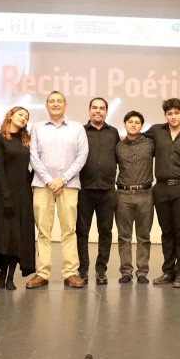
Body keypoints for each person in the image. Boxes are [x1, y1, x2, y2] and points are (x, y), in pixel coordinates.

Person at [27, 91, 89, 289]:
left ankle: (70, 272)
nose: (55, 104)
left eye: (59, 101)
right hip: (42, 185)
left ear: (65, 105)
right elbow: (33, 156)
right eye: (52, 101)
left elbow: (82, 155)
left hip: (69, 185)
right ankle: (42, 273)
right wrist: (49, 180)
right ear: (46, 106)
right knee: (43, 231)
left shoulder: (77, 127)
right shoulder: (37, 128)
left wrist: (62, 179)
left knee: (69, 230)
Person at [144, 98, 180, 288]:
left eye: (177, 113)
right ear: (165, 115)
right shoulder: (156, 131)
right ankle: (168, 271)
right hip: (161, 188)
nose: (173, 116)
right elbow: (137, 140)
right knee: (166, 232)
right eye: (170, 113)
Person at [76, 98, 120, 285]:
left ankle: (101, 270)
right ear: (89, 111)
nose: (98, 111)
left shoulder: (113, 132)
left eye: (102, 108)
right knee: (81, 232)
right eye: (94, 107)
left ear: (106, 112)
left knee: (106, 232)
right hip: (84, 190)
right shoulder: (80, 131)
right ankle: (83, 270)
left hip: (107, 191)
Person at [0, 106, 36, 290]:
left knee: (19, 237)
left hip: (23, 193)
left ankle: (10, 277)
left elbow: (30, 164)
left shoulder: (27, 140)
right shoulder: (0, 138)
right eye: (20, 114)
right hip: (5, 192)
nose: (24, 118)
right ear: (10, 116)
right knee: (6, 236)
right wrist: (6, 195)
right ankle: (2, 274)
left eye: (26, 117)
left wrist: (30, 177)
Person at [115, 111, 155, 284]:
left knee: (143, 236)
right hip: (123, 194)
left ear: (142, 126)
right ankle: (126, 271)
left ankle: (142, 272)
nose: (133, 125)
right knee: (124, 236)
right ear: (124, 123)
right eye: (130, 122)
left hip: (145, 194)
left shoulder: (150, 144)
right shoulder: (118, 145)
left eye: (137, 122)